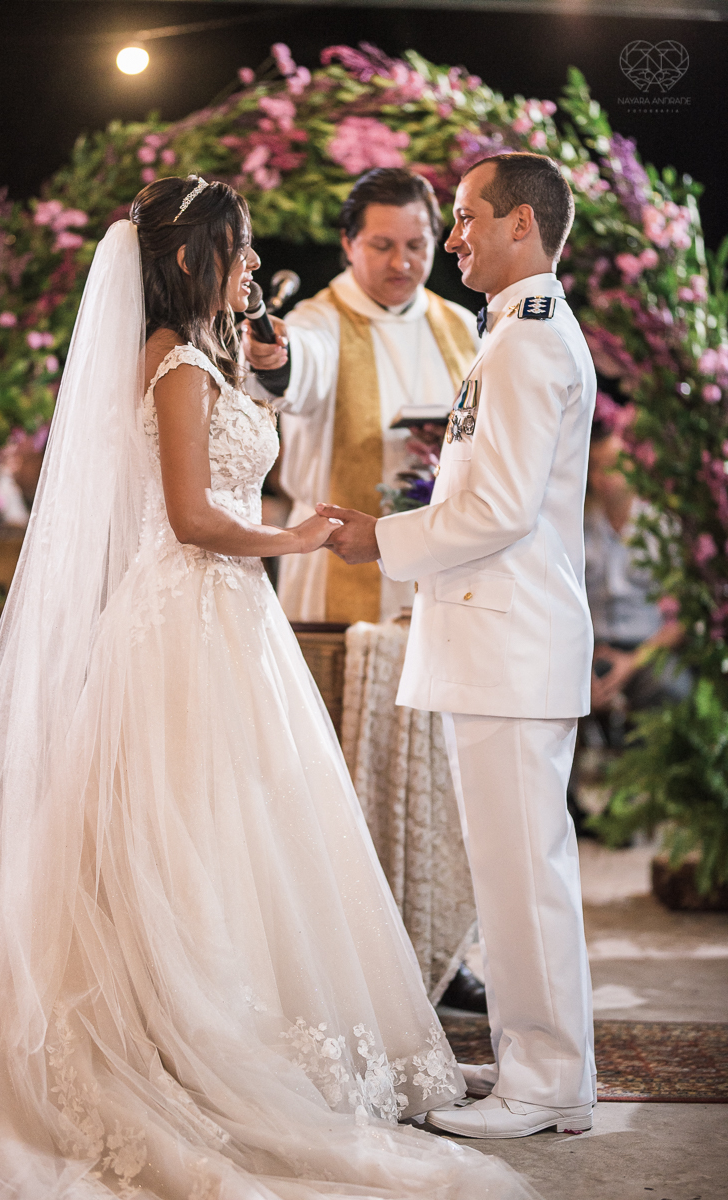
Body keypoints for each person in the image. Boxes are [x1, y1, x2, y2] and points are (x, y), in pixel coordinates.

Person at [0, 176, 536, 1199]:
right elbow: (190, 518)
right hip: (189, 610)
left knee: (246, 827)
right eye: (242, 248)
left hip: (222, 616)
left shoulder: (204, 357)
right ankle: (179, 1035)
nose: (256, 265)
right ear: (193, 258)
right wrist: (293, 536)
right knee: (184, 829)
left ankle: (264, 1020)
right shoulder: (171, 367)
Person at [318, 152, 598, 1139]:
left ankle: (545, 1083)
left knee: (525, 877)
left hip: (511, 642)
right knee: (517, 874)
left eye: (470, 217)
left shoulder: (525, 342)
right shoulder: (514, 335)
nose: (454, 238)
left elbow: (499, 508)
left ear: (523, 225)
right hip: (505, 640)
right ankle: (542, 1072)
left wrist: (377, 538)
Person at [243, 167, 479, 624]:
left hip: (440, 567)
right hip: (336, 561)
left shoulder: (462, 328)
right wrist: (276, 359)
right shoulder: (321, 320)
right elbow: (299, 361)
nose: (401, 264)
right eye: (382, 245)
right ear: (349, 243)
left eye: (416, 246)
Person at [585, 424, 688, 737]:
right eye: (594, 467)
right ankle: (567, 786)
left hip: (646, 651)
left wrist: (631, 662)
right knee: (545, 689)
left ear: (634, 467)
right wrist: (581, 663)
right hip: (589, 651)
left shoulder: (661, 527)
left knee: (674, 687)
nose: (603, 477)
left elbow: (683, 619)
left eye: (612, 465)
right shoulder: (576, 526)